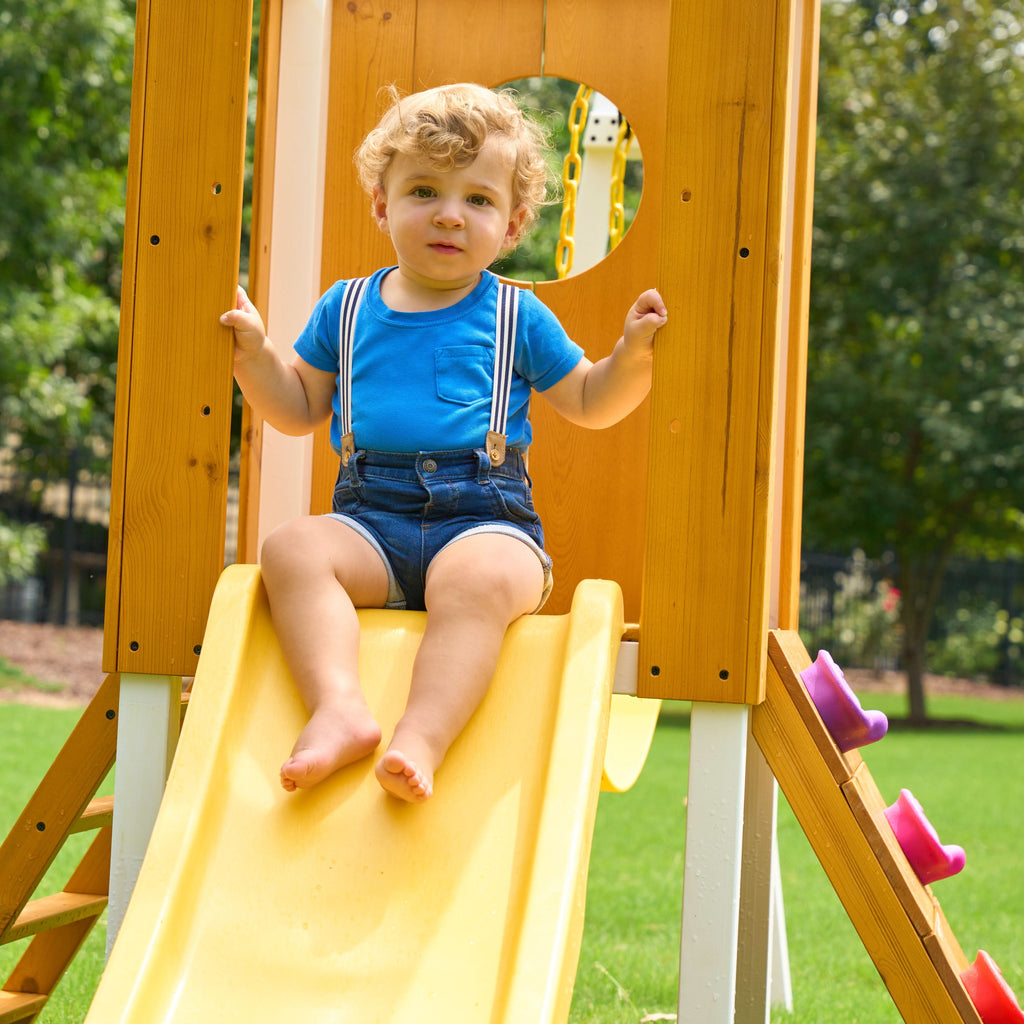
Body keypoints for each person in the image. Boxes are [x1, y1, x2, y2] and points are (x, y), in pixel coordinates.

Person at [220, 83, 667, 803]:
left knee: (474, 581)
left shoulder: (517, 314)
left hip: (486, 524)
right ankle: (338, 709)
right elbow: (298, 407)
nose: (450, 215)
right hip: (371, 523)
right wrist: (254, 356)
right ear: (382, 204)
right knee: (290, 549)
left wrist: (633, 356)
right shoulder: (346, 307)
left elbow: (589, 400)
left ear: (513, 226)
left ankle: (422, 737)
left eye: (478, 200)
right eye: (424, 190)